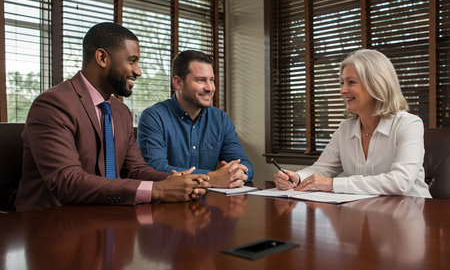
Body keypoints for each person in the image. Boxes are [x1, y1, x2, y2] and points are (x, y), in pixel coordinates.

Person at [15, 22, 210, 212]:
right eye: (132, 61)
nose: (138, 71)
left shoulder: (121, 112)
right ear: (102, 58)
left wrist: (173, 180)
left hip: (106, 221)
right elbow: (68, 181)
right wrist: (157, 190)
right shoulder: (53, 104)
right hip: (51, 227)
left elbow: (135, 170)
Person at [274, 49, 431, 197]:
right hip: (367, 214)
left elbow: (400, 182)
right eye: (342, 82)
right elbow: (322, 169)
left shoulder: (408, 124)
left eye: (351, 82)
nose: (343, 90)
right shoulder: (345, 128)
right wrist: (298, 177)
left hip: (412, 213)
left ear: (376, 84)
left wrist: (332, 184)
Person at [137, 50, 254, 188]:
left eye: (212, 80)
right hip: (166, 204)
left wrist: (237, 173)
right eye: (200, 80)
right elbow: (155, 168)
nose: (210, 88)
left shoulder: (221, 119)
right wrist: (211, 178)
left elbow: (244, 164)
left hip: (211, 203)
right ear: (178, 82)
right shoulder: (153, 117)